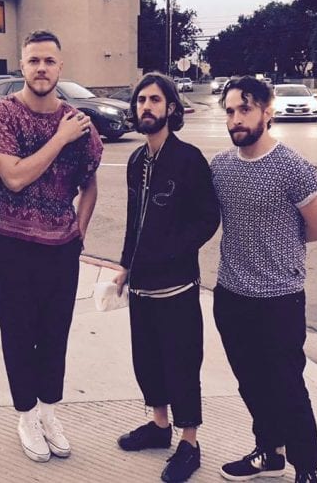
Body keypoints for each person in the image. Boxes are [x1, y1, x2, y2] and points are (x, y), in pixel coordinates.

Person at [0, 30, 103, 463]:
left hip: (61, 250)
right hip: (13, 247)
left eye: (49, 61)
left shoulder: (80, 123)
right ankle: (26, 416)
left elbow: (90, 184)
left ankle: (49, 413)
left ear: (60, 66)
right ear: (22, 66)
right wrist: (59, 138)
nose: (41, 68)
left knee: (54, 335)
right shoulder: (1, 114)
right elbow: (13, 177)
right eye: (33, 61)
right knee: (18, 334)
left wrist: (78, 231)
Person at [211, 76, 317, 483]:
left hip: (280, 298)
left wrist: (279, 249)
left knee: (287, 387)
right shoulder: (221, 167)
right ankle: (269, 452)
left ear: (268, 112)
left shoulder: (293, 167)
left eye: (245, 109)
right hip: (231, 296)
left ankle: (307, 467)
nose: (236, 119)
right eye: (230, 111)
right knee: (250, 383)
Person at [113, 72, 220, 483]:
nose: (146, 107)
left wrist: (170, 251)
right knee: (148, 360)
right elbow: (133, 220)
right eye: (141, 100)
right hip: (141, 286)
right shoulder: (136, 160)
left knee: (182, 364)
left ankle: (189, 443)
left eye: (154, 100)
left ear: (171, 108)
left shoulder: (188, 159)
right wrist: (126, 265)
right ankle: (159, 426)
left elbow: (207, 217)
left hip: (176, 286)